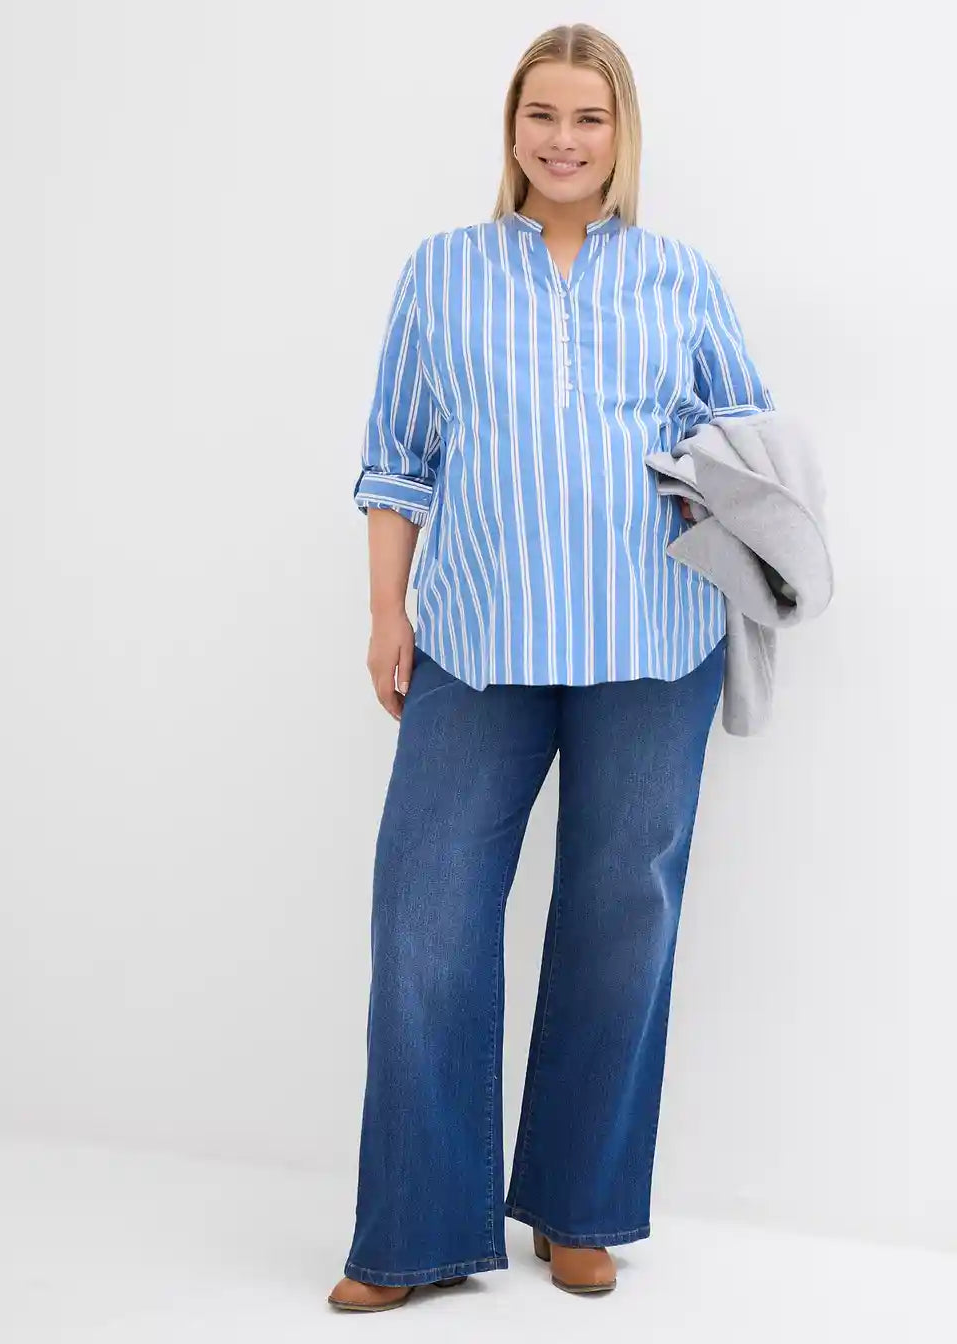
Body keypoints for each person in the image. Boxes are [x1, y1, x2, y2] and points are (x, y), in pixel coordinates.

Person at [328, 21, 775, 1313]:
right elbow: (396, 460)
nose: (564, 140)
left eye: (589, 117)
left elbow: (747, 441)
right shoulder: (443, 271)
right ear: (512, 128)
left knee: (621, 918)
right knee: (425, 916)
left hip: (653, 642)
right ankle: (413, 1231)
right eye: (543, 116)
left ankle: (580, 1212)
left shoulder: (679, 277)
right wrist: (386, 613)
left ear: (620, 132)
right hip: (475, 643)